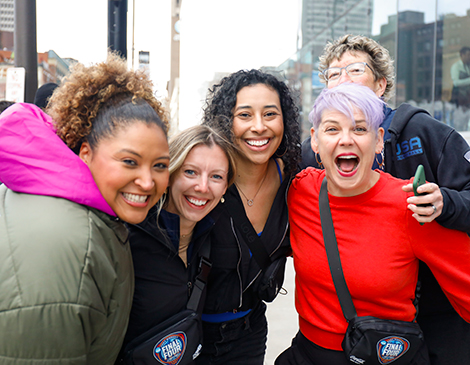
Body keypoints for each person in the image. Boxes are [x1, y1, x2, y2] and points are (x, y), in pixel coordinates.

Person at [300, 34, 470, 365]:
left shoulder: (425, 132)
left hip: (439, 308)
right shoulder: (311, 160)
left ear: (381, 85)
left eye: (355, 70)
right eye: (333, 75)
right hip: (364, 323)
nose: (343, 79)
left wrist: (445, 203)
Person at [0, 53, 170, 364]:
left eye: (160, 165)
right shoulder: (68, 242)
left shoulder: (77, 211)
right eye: (129, 162)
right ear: (86, 152)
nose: (147, 182)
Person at [197, 69, 301, 365]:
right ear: (225, 121)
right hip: (190, 334)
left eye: (270, 114)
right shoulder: (201, 180)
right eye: (244, 115)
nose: (259, 127)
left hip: (250, 332)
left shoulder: (293, 179)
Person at [118, 125, 236, 359]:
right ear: (169, 175)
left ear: (225, 187)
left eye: (216, 176)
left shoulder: (210, 236)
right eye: (190, 172)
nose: (202, 187)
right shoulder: (130, 236)